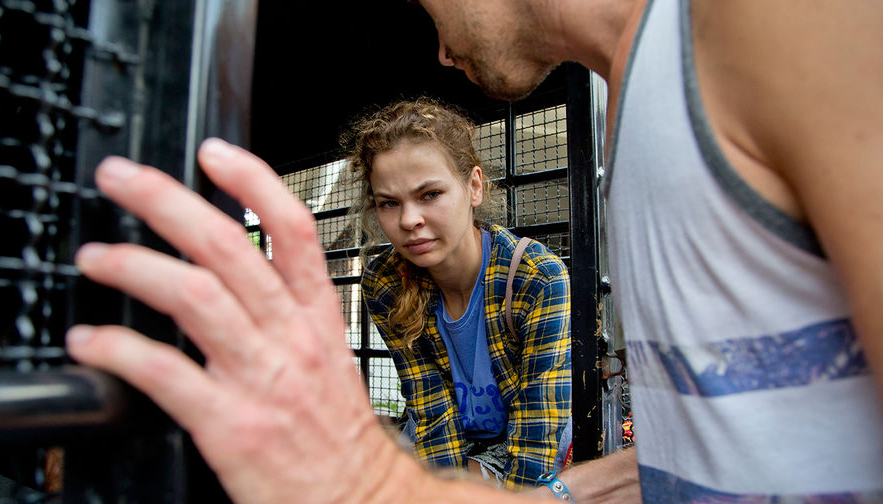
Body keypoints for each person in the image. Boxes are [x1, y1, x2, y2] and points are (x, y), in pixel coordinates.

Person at [65, 0, 883, 502]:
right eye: (387, 203)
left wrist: (373, 482)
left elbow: (536, 452)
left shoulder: (754, 24)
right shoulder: (634, 121)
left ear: (476, 189)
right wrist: (382, 477)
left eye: (425, 11)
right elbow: (715, 454)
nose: (440, 50)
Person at [346, 98, 572, 488]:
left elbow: (538, 432)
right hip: (446, 431)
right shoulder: (384, 282)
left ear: (474, 187)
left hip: (525, 434)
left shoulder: (536, 278)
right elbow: (429, 403)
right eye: (389, 203)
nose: (408, 220)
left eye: (430, 194)